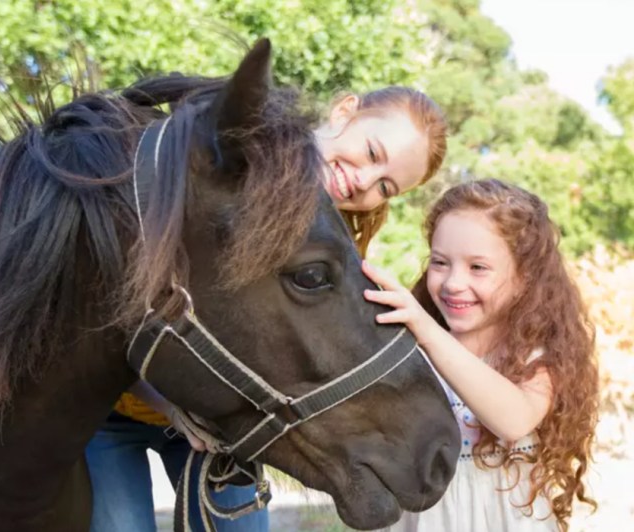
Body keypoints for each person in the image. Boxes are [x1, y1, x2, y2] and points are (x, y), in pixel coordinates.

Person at [85, 86, 449, 532]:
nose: (364, 182)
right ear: (344, 110)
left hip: (216, 425)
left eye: (386, 186)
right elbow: (111, 315)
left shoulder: (342, 245)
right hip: (118, 407)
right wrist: (168, 405)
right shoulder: (221, 178)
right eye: (372, 152)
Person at [362, 179, 599, 531]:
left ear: (525, 277)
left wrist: (426, 330)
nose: (453, 282)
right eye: (441, 262)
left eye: (478, 268)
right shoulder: (410, 350)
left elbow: (513, 420)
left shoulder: (536, 356)